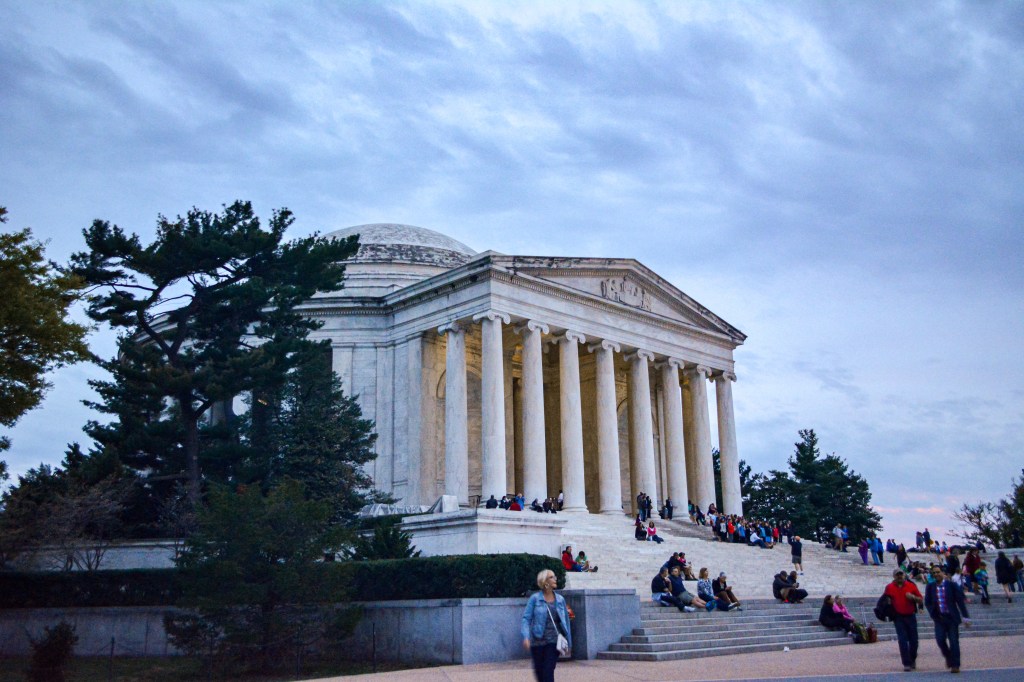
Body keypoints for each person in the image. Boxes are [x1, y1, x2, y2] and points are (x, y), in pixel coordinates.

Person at [521, 569, 571, 682]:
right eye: (551, 577)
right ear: (545, 582)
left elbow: (565, 621)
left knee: (548, 671)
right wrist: (526, 637)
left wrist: (569, 642)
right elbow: (526, 619)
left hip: (553, 642)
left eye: (555, 576)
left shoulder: (560, 599)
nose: (555, 579)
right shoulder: (535, 599)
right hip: (537, 642)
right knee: (540, 674)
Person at [925, 565, 971, 673]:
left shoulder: (952, 585)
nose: (936, 574)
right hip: (939, 618)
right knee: (940, 640)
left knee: (954, 641)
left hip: (952, 618)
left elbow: (960, 601)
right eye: (934, 573)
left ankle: (955, 665)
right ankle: (948, 657)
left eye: (938, 572)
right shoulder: (930, 587)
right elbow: (927, 602)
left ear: (943, 573)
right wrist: (933, 613)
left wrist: (965, 617)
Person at [884, 568, 924, 672]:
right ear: (894, 576)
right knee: (902, 640)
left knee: (914, 641)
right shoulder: (889, 587)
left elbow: (920, 599)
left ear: (904, 575)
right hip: (898, 617)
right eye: (897, 575)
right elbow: (886, 600)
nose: (899, 576)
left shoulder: (911, 586)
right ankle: (906, 663)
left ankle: (912, 659)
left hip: (910, 615)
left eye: (901, 574)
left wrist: (913, 598)